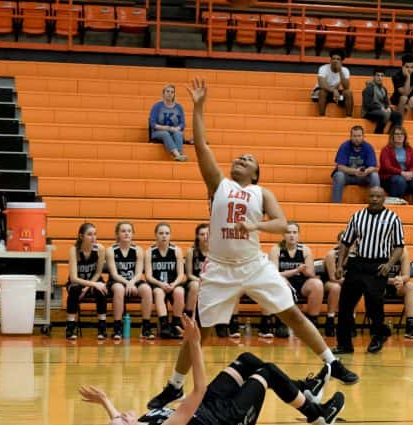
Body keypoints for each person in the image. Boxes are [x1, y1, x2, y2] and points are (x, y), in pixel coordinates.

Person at [148, 77, 359, 411]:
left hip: (253, 265)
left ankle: (332, 362)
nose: (242, 158)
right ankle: (174, 386)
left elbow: (282, 223)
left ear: (257, 174)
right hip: (219, 268)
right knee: (199, 330)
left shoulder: (261, 193)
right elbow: (201, 147)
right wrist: (199, 107)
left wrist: (256, 224)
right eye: (240, 157)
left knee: (291, 314)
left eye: (249, 159)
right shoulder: (219, 184)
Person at [80, 314, 346, 425]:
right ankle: (316, 413)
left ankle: (302, 389)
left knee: (247, 359)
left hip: (208, 405)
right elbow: (198, 389)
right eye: (125, 421)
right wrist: (194, 343)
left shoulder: (137, 421)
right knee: (267, 373)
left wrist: (105, 401)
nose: (125, 417)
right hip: (223, 418)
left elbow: (115, 417)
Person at [334, 187, 405, 354]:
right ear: (367, 197)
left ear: (384, 198)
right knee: (345, 305)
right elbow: (346, 242)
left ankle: (379, 335)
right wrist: (339, 265)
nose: (374, 199)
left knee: (373, 305)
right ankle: (344, 344)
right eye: (372, 196)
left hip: (378, 266)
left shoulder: (393, 218)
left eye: (378, 196)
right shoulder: (357, 216)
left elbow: (399, 246)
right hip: (357, 264)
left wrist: (389, 264)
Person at [268, 222, 325, 329]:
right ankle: (281, 322)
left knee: (317, 284)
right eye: (288, 232)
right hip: (283, 283)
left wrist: (305, 270)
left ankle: (313, 321)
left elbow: (311, 274)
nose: (292, 235)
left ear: (298, 234)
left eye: (294, 232)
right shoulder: (276, 250)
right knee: (282, 282)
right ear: (283, 235)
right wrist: (295, 270)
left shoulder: (305, 250)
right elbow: (274, 275)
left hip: (302, 284)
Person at [105, 221, 155, 340]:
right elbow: (114, 273)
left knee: (147, 289)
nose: (126, 233)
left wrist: (131, 282)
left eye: (129, 231)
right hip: (116, 281)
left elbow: (138, 273)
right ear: (117, 234)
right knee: (119, 288)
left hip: (133, 281)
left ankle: (146, 328)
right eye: (123, 231)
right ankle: (117, 327)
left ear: (133, 234)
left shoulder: (138, 250)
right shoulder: (111, 250)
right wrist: (127, 283)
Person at [145, 222, 189, 339]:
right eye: (161, 233)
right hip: (157, 284)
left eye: (166, 233)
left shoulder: (176, 250)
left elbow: (181, 275)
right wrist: (161, 284)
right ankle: (164, 325)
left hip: (173, 283)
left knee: (180, 292)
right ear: (156, 235)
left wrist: (173, 284)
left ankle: (176, 324)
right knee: (159, 293)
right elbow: (148, 276)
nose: (164, 236)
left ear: (170, 236)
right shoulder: (150, 251)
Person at [65, 222, 107, 341]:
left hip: (92, 280)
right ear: (81, 237)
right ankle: (70, 326)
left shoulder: (100, 249)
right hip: (78, 281)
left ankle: (102, 326)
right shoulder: (74, 250)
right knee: (74, 289)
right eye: (89, 234)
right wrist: (91, 285)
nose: (93, 237)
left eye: (95, 234)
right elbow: (73, 278)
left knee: (101, 290)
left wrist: (89, 287)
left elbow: (98, 273)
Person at [331, 125, 380, 203]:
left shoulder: (368, 147)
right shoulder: (344, 146)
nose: (357, 138)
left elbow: (373, 167)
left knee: (375, 176)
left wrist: (366, 171)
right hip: (347, 176)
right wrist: (355, 171)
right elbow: (340, 167)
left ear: (363, 136)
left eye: (359, 136)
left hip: (363, 176)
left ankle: (376, 205)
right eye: (354, 136)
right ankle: (336, 205)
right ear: (350, 137)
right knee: (339, 175)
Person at [379, 126, 413, 205]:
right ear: (392, 136)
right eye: (397, 134)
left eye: (402, 134)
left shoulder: (410, 149)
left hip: (407, 175)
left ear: (405, 136)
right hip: (389, 177)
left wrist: (411, 173)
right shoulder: (386, 149)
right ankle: (396, 205)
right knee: (399, 180)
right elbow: (387, 166)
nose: (399, 136)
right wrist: (401, 173)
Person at [384, 247, 413, 339]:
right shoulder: (377, 247)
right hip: (378, 283)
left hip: (395, 284)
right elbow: (372, 274)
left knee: (410, 286)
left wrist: (401, 279)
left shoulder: (402, 250)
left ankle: (410, 327)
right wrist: (391, 281)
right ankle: (377, 325)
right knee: (375, 286)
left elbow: (406, 276)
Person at [149, 84, 187, 162]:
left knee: (178, 133)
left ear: (174, 94)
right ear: (163, 93)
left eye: (172, 92)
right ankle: (178, 155)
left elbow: (182, 124)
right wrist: (164, 128)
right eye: (167, 91)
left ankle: (178, 155)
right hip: (158, 132)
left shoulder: (179, 107)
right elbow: (152, 123)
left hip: (173, 131)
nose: (170, 94)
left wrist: (176, 128)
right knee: (165, 133)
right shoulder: (157, 106)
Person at [311, 49, 354, 117]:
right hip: (320, 94)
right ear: (330, 60)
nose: (335, 61)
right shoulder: (323, 68)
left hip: (335, 95)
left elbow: (346, 87)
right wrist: (334, 90)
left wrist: (340, 71)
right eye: (333, 58)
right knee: (323, 92)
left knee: (348, 93)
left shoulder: (345, 70)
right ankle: (321, 116)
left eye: (338, 59)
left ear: (341, 61)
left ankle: (349, 117)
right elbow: (322, 84)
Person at [362, 67, 403, 134]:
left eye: (382, 76)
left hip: (381, 110)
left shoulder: (384, 89)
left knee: (398, 115)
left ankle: (391, 134)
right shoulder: (369, 88)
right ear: (374, 76)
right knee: (384, 114)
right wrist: (381, 108)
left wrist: (388, 108)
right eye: (378, 75)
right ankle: (378, 133)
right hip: (369, 112)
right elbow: (367, 105)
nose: (380, 77)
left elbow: (386, 103)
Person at [322, 231, 347, 337]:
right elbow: (332, 277)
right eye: (342, 241)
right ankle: (330, 319)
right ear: (338, 242)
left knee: (355, 287)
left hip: (345, 283)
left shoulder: (355, 255)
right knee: (336, 287)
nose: (344, 243)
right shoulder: (331, 254)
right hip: (328, 283)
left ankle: (350, 320)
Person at [391, 54, 413, 121]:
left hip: (411, 98)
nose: (410, 70)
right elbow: (405, 93)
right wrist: (408, 77)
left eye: (412, 67)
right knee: (404, 98)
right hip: (398, 98)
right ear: (402, 67)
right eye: (407, 67)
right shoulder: (396, 76)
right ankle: (399, 122)